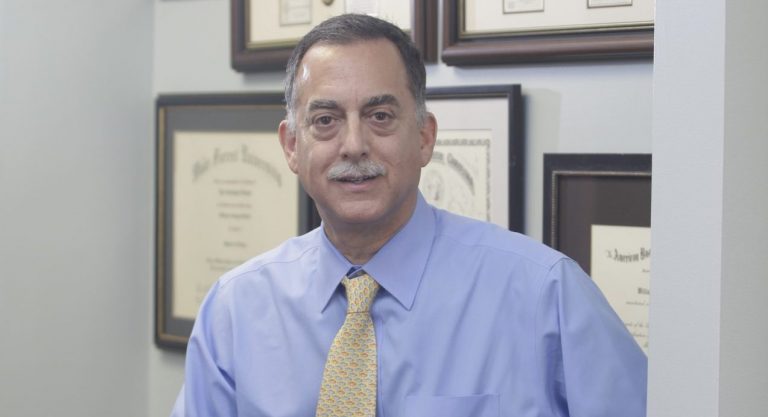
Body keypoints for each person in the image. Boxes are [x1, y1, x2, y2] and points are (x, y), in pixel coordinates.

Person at [170, 14, 647, 417]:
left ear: (423, 137)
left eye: (380, 116)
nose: (354, 144)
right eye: (325, 120)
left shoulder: (546, 295)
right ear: (293, 146)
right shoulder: (234, 311)